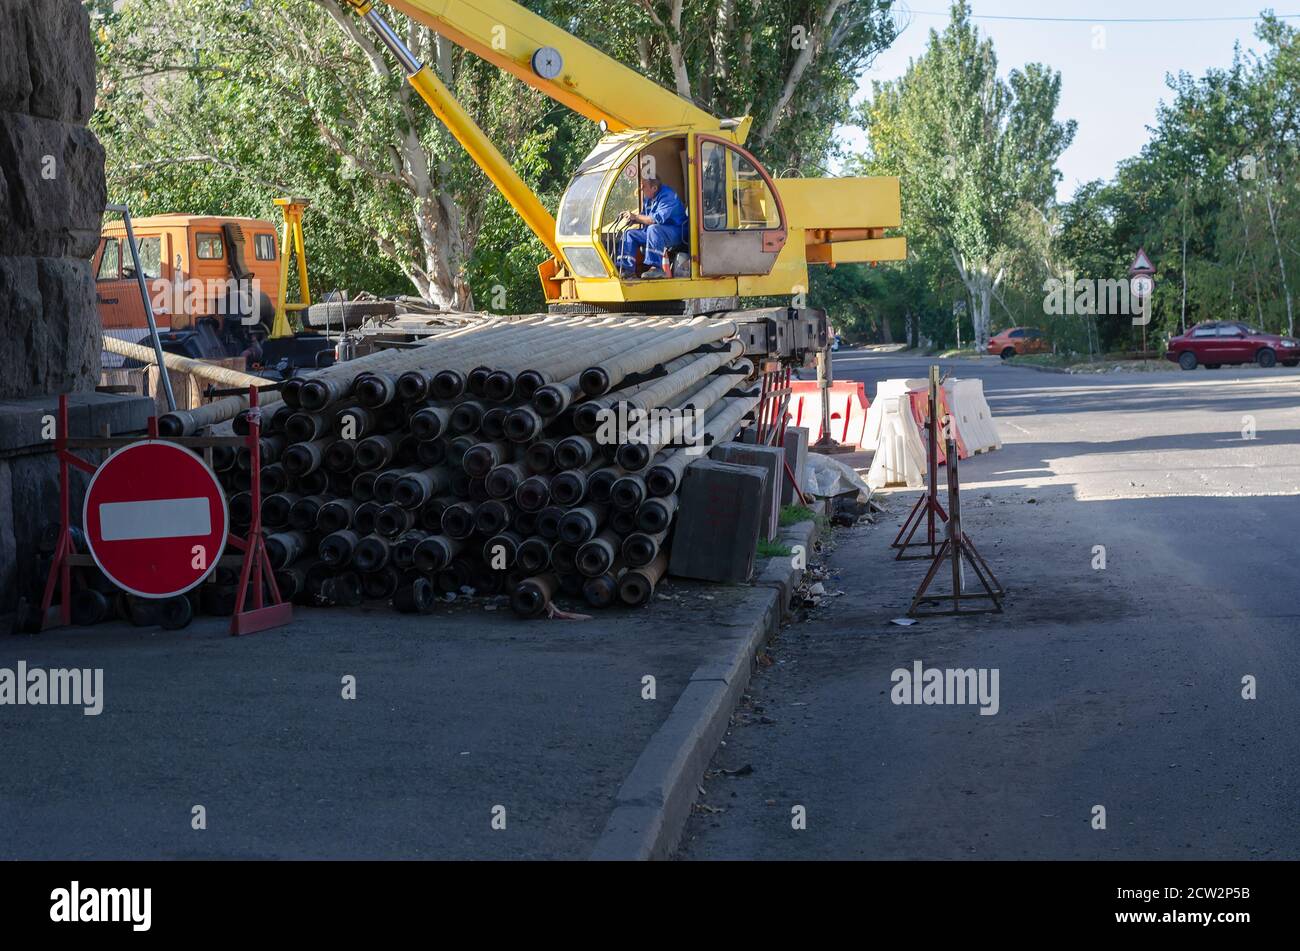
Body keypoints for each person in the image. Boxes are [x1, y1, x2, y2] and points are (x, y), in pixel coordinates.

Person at [615, 176, 687, 279]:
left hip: (676, 231)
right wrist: (633, 219)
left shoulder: (668, 196)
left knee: (653, 229)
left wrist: (635, 216)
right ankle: (627, 270)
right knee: (629, 234)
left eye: (643, 186)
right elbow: (645, 217)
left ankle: (656, 268)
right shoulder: (648, 199)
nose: (641, 189)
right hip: (657, 232)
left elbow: (655, 220)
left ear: (654, 188)